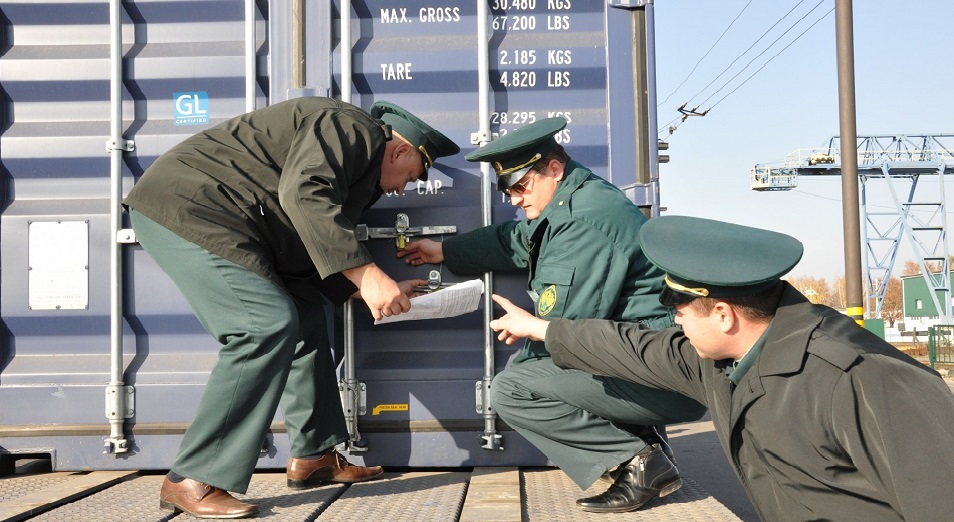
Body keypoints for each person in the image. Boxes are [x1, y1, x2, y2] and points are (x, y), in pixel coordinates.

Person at [489, 215, 954, 521]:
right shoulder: (724, 360)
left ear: (723, 314)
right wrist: (542, 329)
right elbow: (633, 346)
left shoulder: (862, 378)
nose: (674, 320)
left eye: (681, 310)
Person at [123, 97, 459, 519]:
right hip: (193, 207)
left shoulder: (358, 169)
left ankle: (315, 455)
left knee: (306, 319)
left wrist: (355, 287)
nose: (401, 189)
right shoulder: (352, 128)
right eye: (409, 176)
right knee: (262, 326)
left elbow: (307, 237)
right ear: (399, 150)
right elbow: (302, 194)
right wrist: (368, 274)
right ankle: (193, 477)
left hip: (237, 221)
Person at [397, 117, 706, 513]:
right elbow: (516, 240)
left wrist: (526, 335)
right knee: (538, 375)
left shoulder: (582, 220)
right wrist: (447, 251)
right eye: (507, 189)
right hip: (652, 364)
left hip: (663, 377)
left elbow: (565, 332)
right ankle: (643, 439)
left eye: (520, 186)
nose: (514, 198)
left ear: (554, 169)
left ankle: (641, 463)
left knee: (513, 390)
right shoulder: (573, 201)